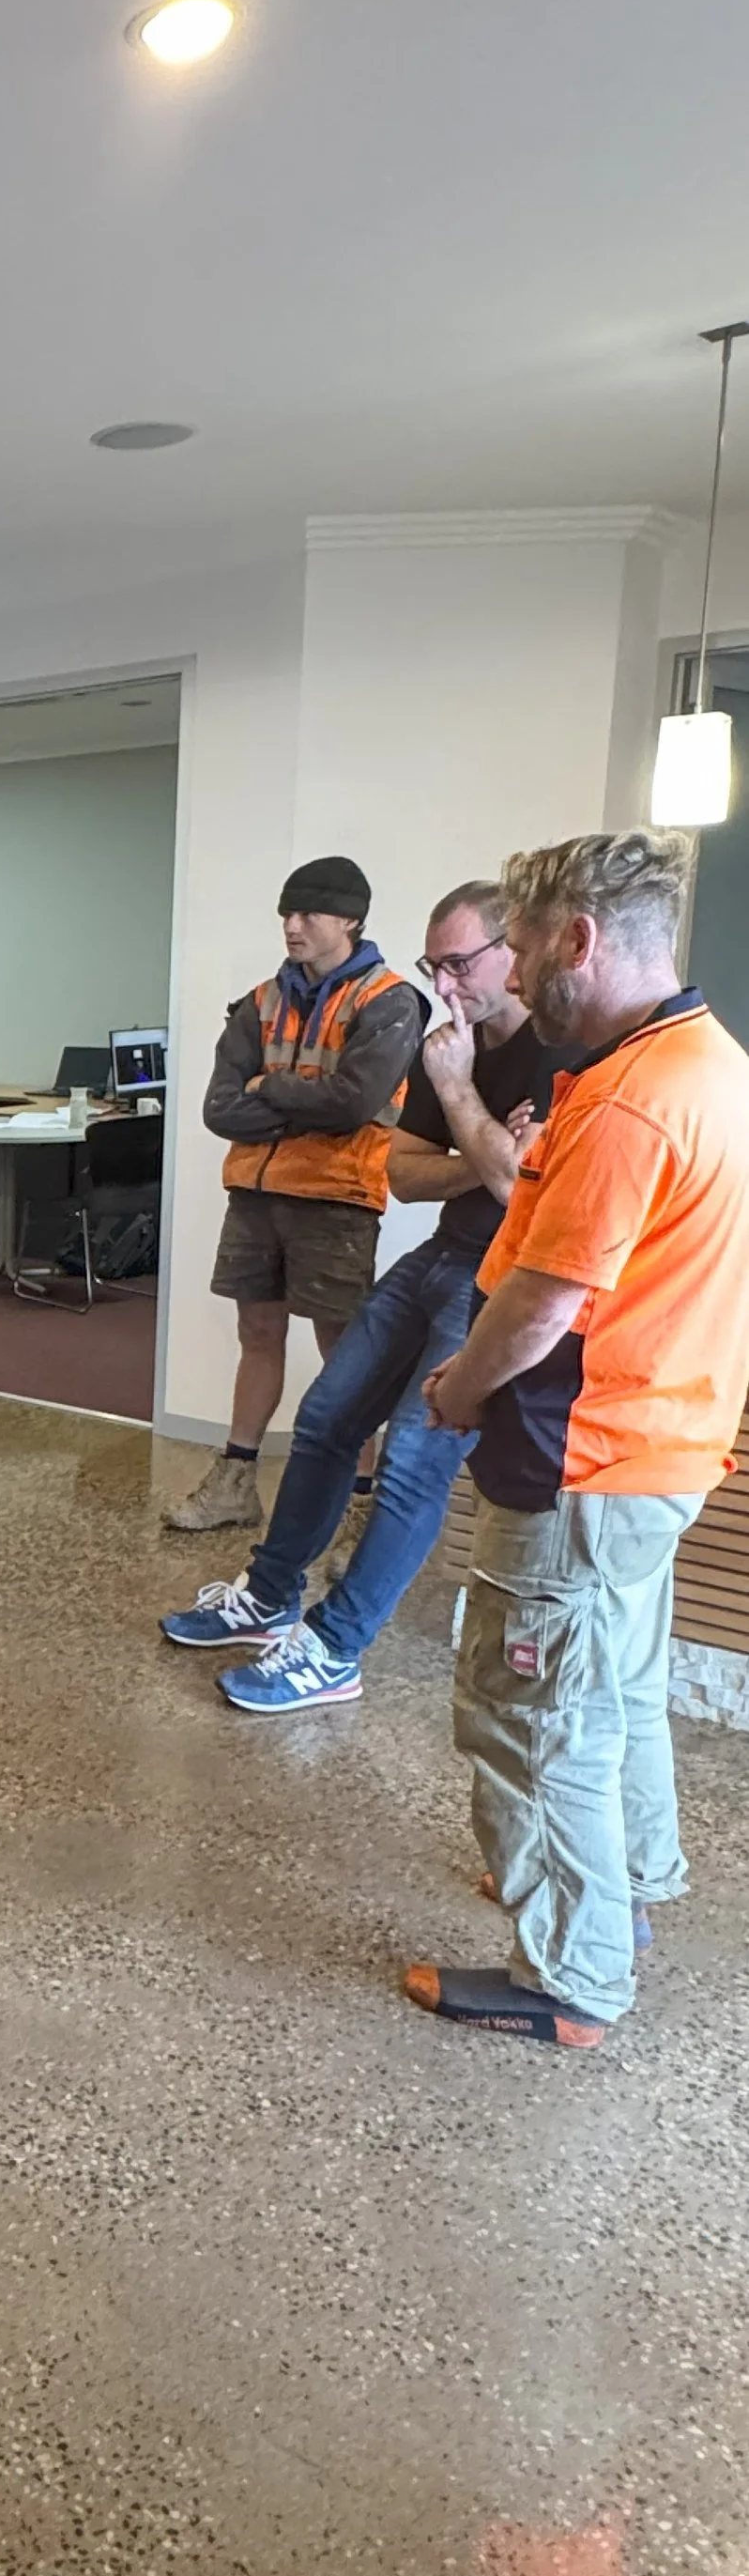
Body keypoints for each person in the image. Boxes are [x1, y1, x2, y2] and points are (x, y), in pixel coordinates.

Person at [405, 829, 749, 2047]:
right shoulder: (707, 1063)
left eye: (527, 943)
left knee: (528, 1710)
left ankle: (575, 1973)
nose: (515, 971)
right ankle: (635, 1884)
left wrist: (455, 1391)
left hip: (584, 1459)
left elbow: (546, 1300)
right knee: (619, 1684)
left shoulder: (634, 1102)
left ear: (580, 939)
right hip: (663, 1449)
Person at [162, 880, 573, 1708]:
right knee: (325, 1418)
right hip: (437, 1254)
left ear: (511, 953)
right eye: (436, 964)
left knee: (417, 1462)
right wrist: (483, 1147)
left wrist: (461, 1101)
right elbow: (406, 1171)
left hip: (502, 1273)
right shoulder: (448, 1041)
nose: (445, 985)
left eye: (459, 964)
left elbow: (510, 1187)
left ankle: (336, 1648)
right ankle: (269, 1599)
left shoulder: (554, 1051)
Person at [166, 855, 427, 1533]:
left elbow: (354, 1103)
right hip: (256, 1193)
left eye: (309, 911)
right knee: (258, 1331)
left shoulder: (390, 1001)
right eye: (287, 910)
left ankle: (360, 1506)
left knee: (347, 1349)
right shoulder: (260, 1002)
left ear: (350, 919)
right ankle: (235, 1482)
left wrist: (270, 1089)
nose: (293, 923)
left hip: (338, 1197)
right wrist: (298, 1102)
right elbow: (220, 1109)